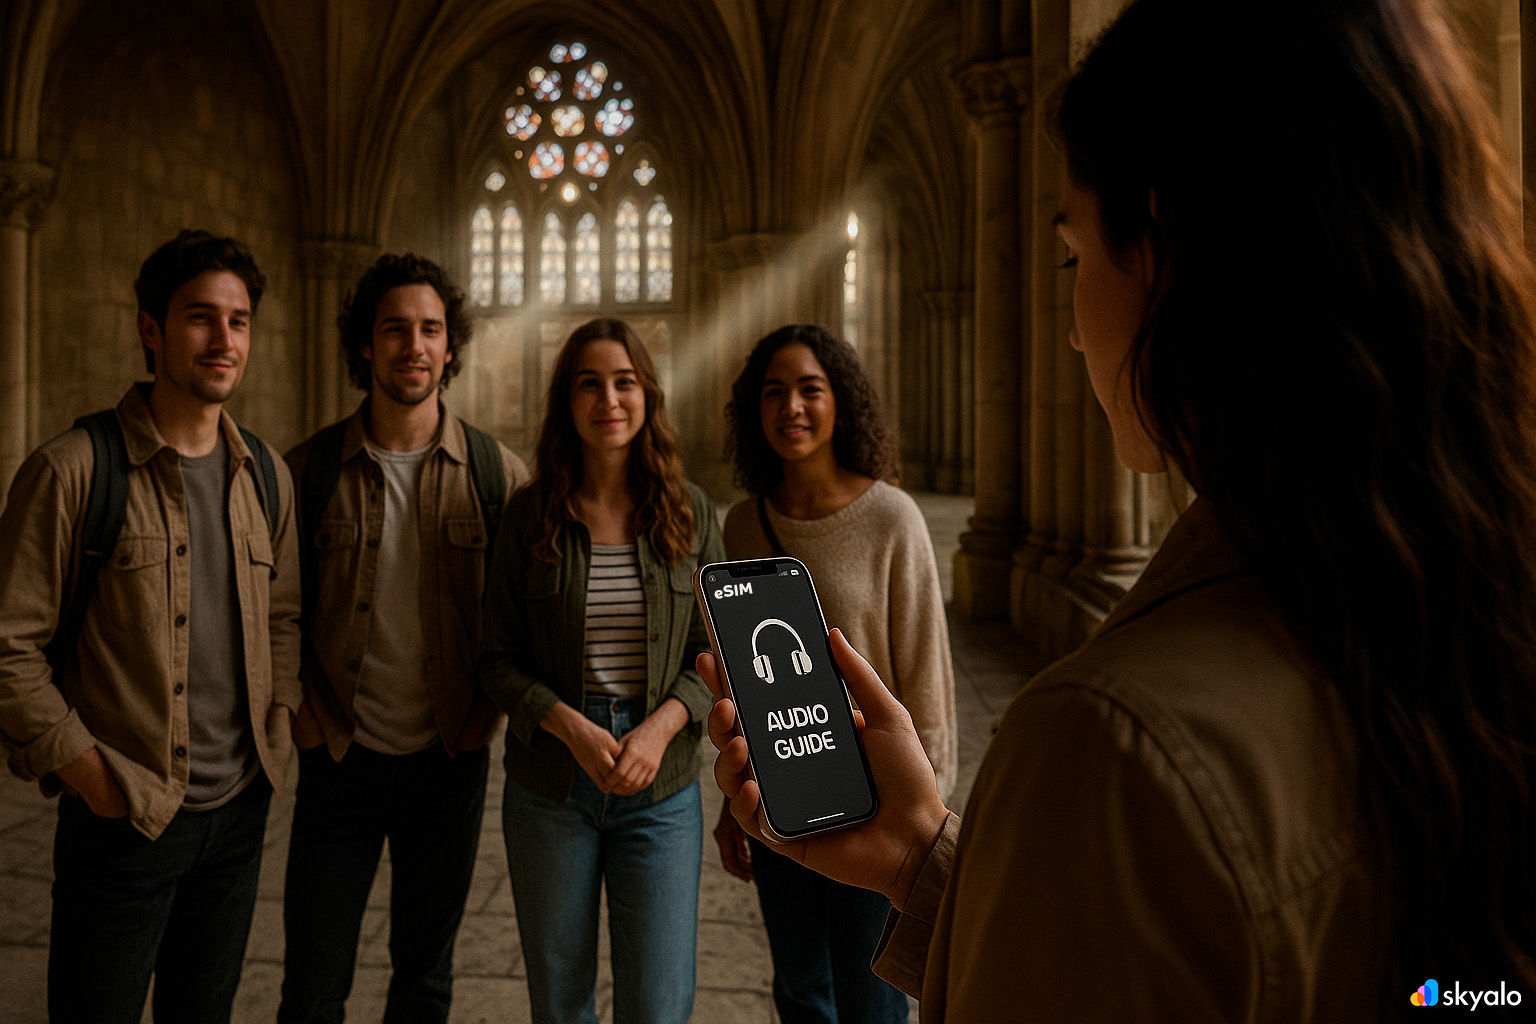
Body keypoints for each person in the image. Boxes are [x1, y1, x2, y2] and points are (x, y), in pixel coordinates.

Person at [702, 0, 1536, 1019]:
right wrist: (926, 860)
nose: (1070, 334)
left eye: (1072, 255)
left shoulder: (1112, 748)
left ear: (1167, 254)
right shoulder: (1471, 604)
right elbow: (1442, 992)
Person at [0, 230, 301, 1023]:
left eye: (238, 321)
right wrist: (89, 774)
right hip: (126, 816)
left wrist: (276, 726)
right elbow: (7, 649)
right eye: (200, 317)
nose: (223, 339)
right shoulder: (72, 470)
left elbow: (284, 619)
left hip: (238, 820)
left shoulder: (266, 475)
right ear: (150, 329)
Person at [278, 253, 528, 1023]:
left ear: (451, 347)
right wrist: (302, 717)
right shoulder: (306, 470)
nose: (413, 346)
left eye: (430, 330)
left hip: (445, 762)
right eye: (394, 330)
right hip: (339, 759)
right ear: (364, 345)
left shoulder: (497, 474)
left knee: (424, 976)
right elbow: (275, 613)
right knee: (313, 980)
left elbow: (519, 619)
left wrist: (485, 717)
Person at [480, 318, 724, 1024]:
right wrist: (573, 730)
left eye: (625, 381)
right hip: (552, 785)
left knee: (658, 1002)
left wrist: (657, 731)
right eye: (590, 383)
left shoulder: (688, 512)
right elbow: (496, 658)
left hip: (662, 787)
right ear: (567, 400)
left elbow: (714, 655)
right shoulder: (530, 515)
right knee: (560, 1002)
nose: (608, 398)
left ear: (647, 395)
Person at [711, 324, 955, 1023]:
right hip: (781, 799)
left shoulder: (892, 518)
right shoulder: (743, 525)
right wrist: (730, 803)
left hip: (878, 807)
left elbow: (927, 681)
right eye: (774, 392)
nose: (792, 406)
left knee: (874, 1003)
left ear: (840, 400)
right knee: (799, 992)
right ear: (755, 412)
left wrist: (925, 819)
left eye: (809, 389)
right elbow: (736, 683)